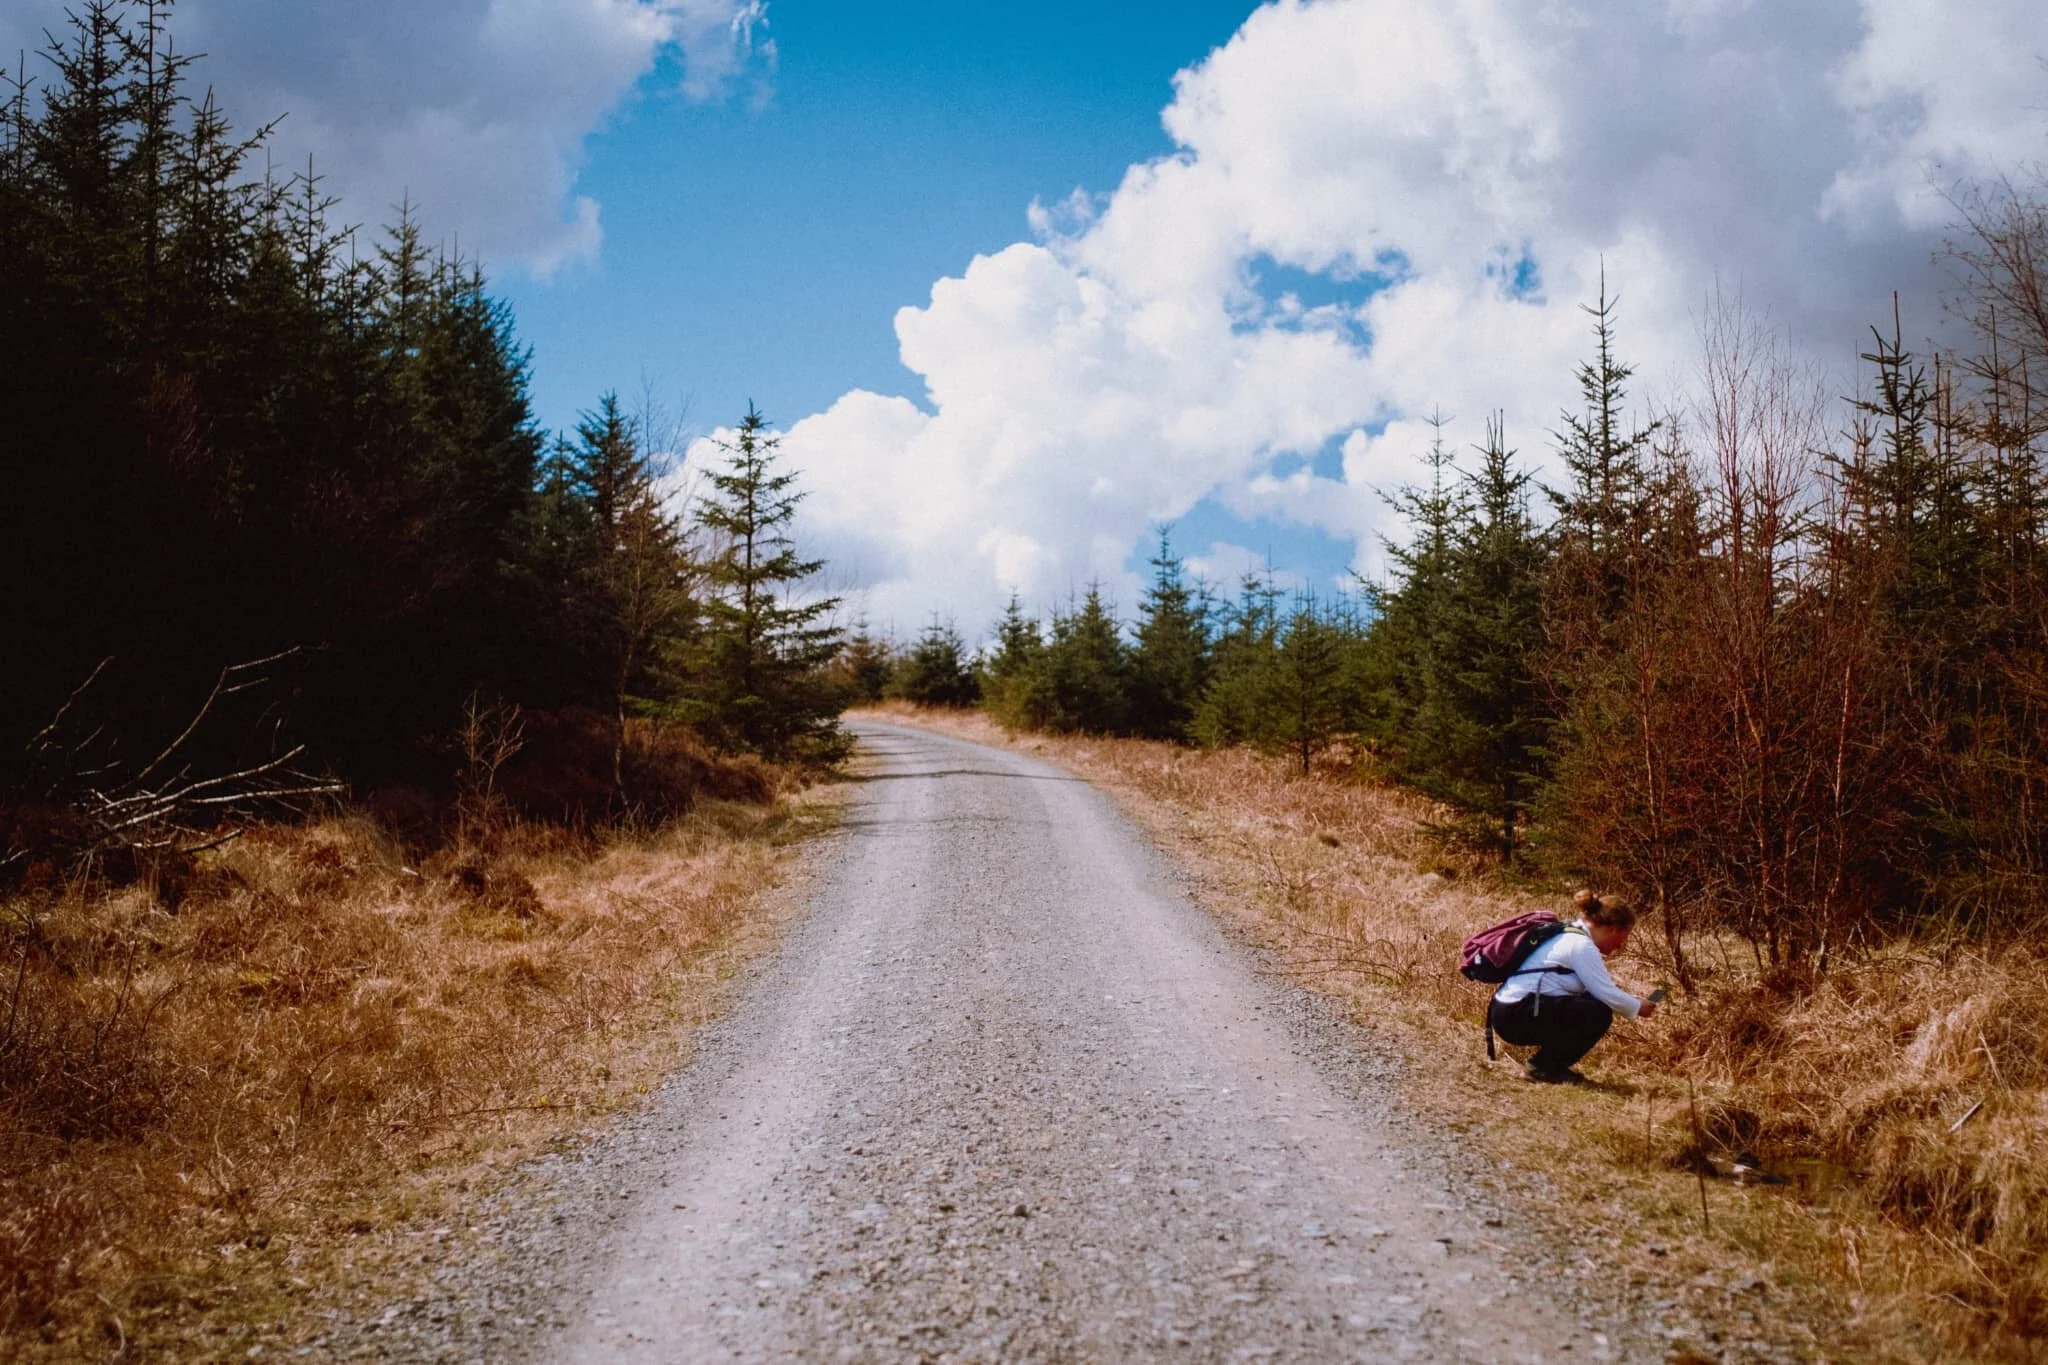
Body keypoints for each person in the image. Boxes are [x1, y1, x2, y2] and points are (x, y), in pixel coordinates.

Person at [1488, 889, 1656, 1084]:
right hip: (1516, 1016)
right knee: (1597, 1013)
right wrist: (1637, 1007)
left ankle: (1548, 1066)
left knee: (1591, 1005)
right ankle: (1543, 1068)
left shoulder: (1568, 932)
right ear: (1612, 930)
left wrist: (1629, 1000)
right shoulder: (1581, 945)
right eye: (1623, 938)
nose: (1620, 945)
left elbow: (1599, 989)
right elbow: (1606, 994)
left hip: (1508, 1011)